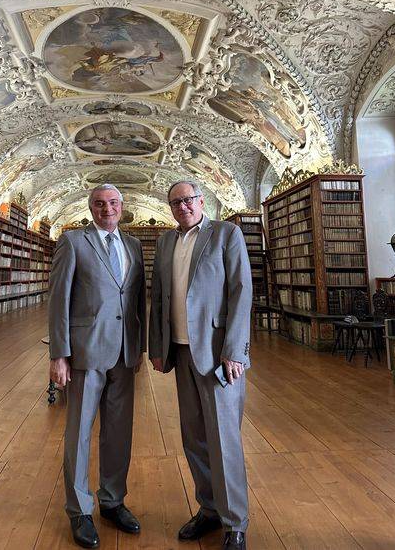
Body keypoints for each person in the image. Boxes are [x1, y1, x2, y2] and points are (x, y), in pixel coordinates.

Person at [149, 180, 252, 550]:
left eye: (187, 200)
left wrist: (235, 350)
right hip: (179, 351)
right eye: (174, 202)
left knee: (223, 439)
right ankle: (208, 509)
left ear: (201, 201)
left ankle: (234, 522)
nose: (182, 207)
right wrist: (156, 348)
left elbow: (242, 290)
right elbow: (159, 296)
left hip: (217, 355)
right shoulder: (164, 242)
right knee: (193, 436)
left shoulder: (226, 234)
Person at [49, 184, 146, 549]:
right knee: (79, 432)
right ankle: (78, 509)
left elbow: (137, 300)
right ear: (91, 208)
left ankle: (112, 500)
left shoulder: (134, 245)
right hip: (85, 354)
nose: (107, 209)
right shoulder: (73, 242)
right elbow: (58, 300)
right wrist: (58, 354)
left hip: (124, 354)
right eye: (99, 204)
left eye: (113, 203)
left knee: (119, 432)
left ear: (122, 207)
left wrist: (140, 348)